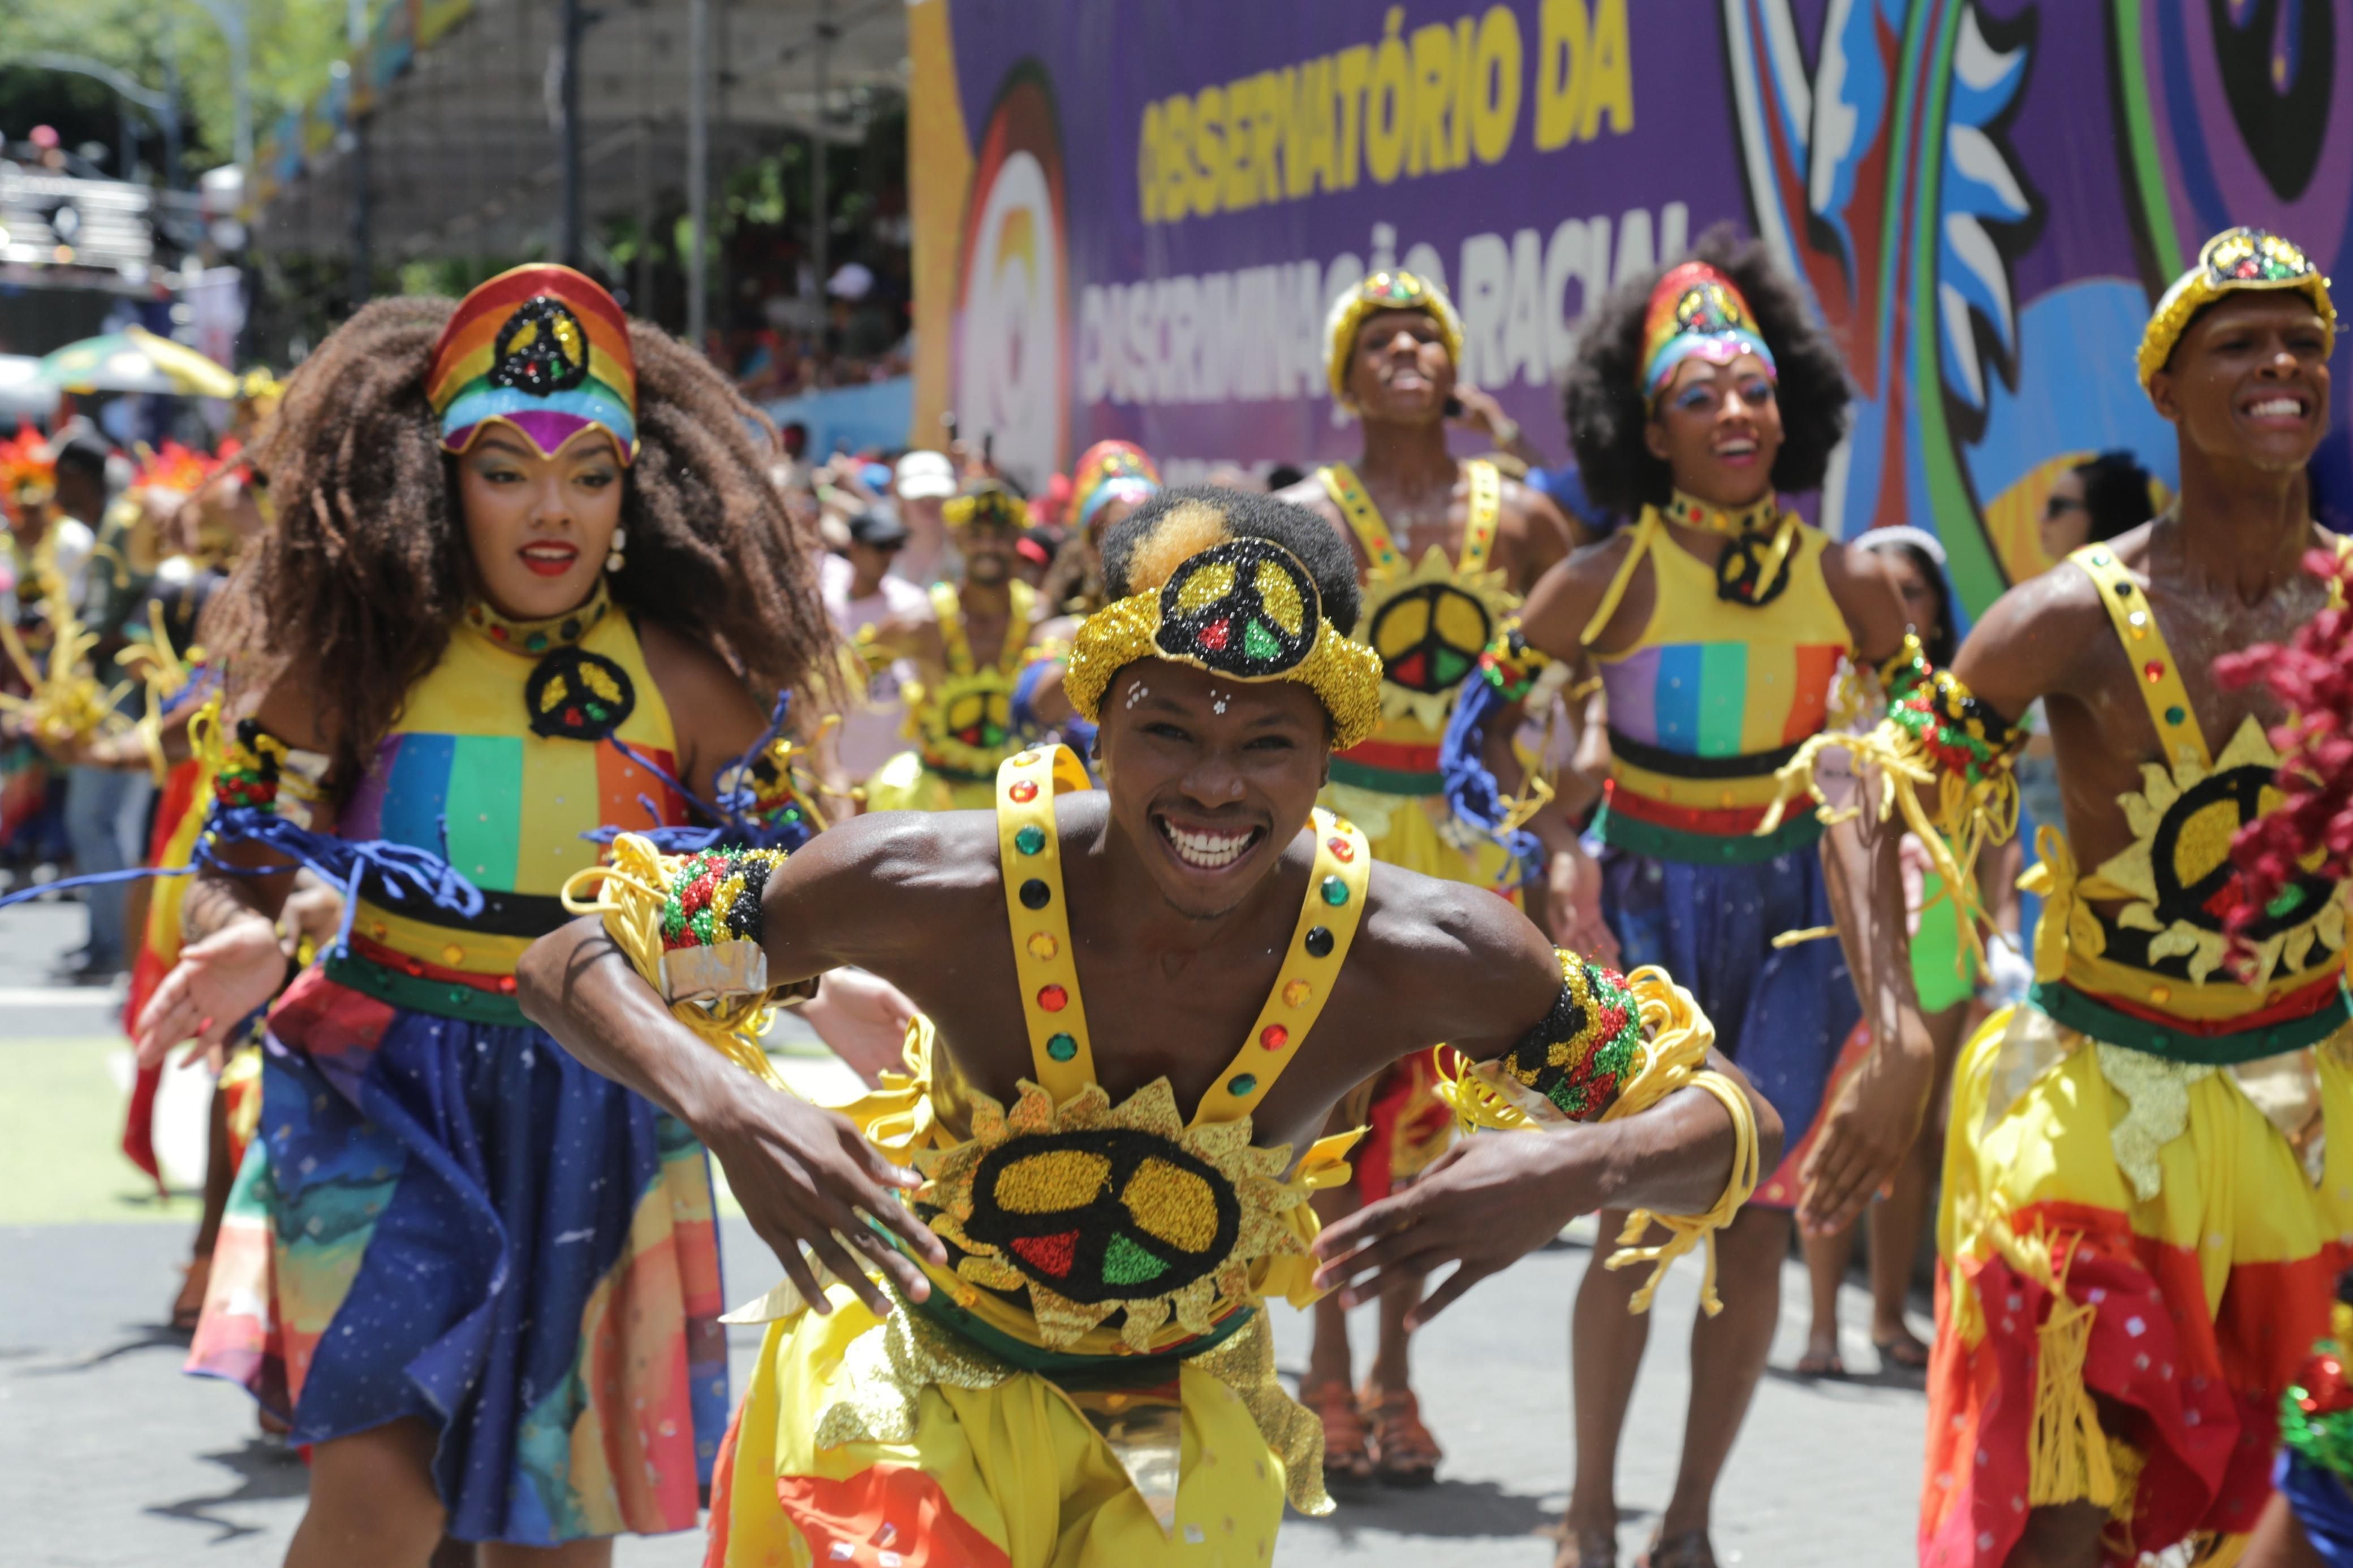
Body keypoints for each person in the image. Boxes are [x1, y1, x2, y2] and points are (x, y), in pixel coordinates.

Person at [516, 484, 1778, 1568]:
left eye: (1268, 743)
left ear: (1328, 757)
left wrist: (1572, 1164)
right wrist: (730, 1102)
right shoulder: (927, 890)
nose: (1215, 785)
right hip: (924, 1379)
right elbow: (577, 952)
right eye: (1167, 728)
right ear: (1098, 726)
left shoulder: (1416, 956)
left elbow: (1735, 1120)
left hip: (1172, 1415)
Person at [132, 264, 844, 1565]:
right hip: (382, 1086)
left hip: (603, 1105)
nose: (552, 507)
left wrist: (854, 1004)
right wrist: (244, 927)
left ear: (635, 487)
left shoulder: (680, 678)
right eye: (507, 467)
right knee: (381, 1502)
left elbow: (792, 888)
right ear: (440, 479)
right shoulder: (365, 659)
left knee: (554, 1525)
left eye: (591, 470)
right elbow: (240, 836)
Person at [1865, 227, 2352, 1568]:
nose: (2282, 366)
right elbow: (1885, 798)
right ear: (2166, 389)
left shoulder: (2352, 605)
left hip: (2308, 1119)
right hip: (2099, 1106)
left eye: (2304, 342)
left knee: (2291, 1511)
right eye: (2239, 343)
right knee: (2063, 1513)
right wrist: (1903, 1022)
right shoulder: (2070, 616)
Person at [1484, 228, 1919, 1567]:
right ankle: (1589, 1512)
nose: (1735, 412)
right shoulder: (1599, 581)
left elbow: (1924, 739)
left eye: (1754, 388)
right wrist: (1553, 828)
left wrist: (1897, 822)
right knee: (1633, 1205)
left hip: (1794, 925)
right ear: (1648, 434)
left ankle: (1688, 1524)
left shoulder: (1851, 581)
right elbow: (1480, 725)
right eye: (1697, 395)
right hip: (1650, 927)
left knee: (1756, 1222)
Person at [1272, 269, 1584, 1487]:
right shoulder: (1303, 516)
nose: (1406, 352)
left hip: (1467, 851)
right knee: (1332, 1110)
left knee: (1441, 1117)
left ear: (1453, 371)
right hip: (1337, 842)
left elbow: (1579, 660)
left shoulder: (1524, 519)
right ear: (1346, 379)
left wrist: (1570, 792)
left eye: (1426, 337)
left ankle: (1398, 1372)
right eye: (1379, 339)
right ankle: (1327, 1364)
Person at [1793, 525, 1975, 1379]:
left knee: (1914, 1136)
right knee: (1844, 1115)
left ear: (1937, 613)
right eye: (1880, 591)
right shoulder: (1811, 697)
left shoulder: (1965, 702)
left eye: (1914, 593)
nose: (1894, 608)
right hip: (1836, 926)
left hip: (1939, 923)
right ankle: (1823, 1325)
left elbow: (1979, 817)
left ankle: (1891, 1317)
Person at [861, 481, 1047, 813]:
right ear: (958, 540)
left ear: (1017, 540)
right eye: (976, 535)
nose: (988, 546)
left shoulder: (1041, 620)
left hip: (1018, 797)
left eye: (1001, 536)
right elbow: (844, 674)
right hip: (934, 799)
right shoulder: (920, 623)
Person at [2016, 452, 2161, 839]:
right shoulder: (2062, 595)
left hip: (2092, 792)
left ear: (2102, 513)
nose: (2041, 519)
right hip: (2055, 785)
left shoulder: (2128, 604)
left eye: (2058, 507)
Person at [821, 509, 930, 783]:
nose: (888, 556)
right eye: (881, 546)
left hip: (897, 769)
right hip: (839, 764)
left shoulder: (911, 604)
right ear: (854, 549)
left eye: (895, 547)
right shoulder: (824, 605)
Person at [892, 448, 959, 586]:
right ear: (900, 499)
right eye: (919, 498)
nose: (929, 503)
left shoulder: (966, 553)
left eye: (936, 496)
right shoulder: (883, 553)